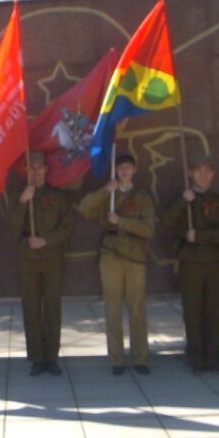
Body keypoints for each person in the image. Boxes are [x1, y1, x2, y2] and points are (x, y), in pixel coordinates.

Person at [77, 153, 156, 376]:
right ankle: (117, 359)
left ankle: (140, 358)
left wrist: (120, 221)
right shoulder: (108, 194)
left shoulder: (142, 197)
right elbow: (83, 208)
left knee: (137, 308)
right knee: (113, 308)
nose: (124, 172)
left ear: (134, 170)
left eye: (128, 168)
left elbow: (149, 228)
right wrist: (105, 190)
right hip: (111, 254)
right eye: (120, 168)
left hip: (134, 254)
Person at [161, 153, 219, 373]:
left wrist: (200, 236)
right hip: (190, 262)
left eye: (207, 171)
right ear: (191, 173)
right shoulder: (183, 198)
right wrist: (183, 200)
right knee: (192, 311)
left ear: (212, 174)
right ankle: (195, 357)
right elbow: (165, 221)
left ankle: (212, 357)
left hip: (213, 262)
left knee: (214, 311)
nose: (202, 175)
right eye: (198, 170)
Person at [10, 152, 73, 377]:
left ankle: (51, 357)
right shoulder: (21, 195)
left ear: (46, 170)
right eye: (31, 168)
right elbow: (13, 226)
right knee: (32, 308)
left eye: (39, 168)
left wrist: (46, 240)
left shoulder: (58, 197)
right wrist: (22, 202)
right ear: (26, 172)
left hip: (52, 256)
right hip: (28, 257)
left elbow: (67, 227)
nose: (36, 172)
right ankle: (36, 358)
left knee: (52, 308)